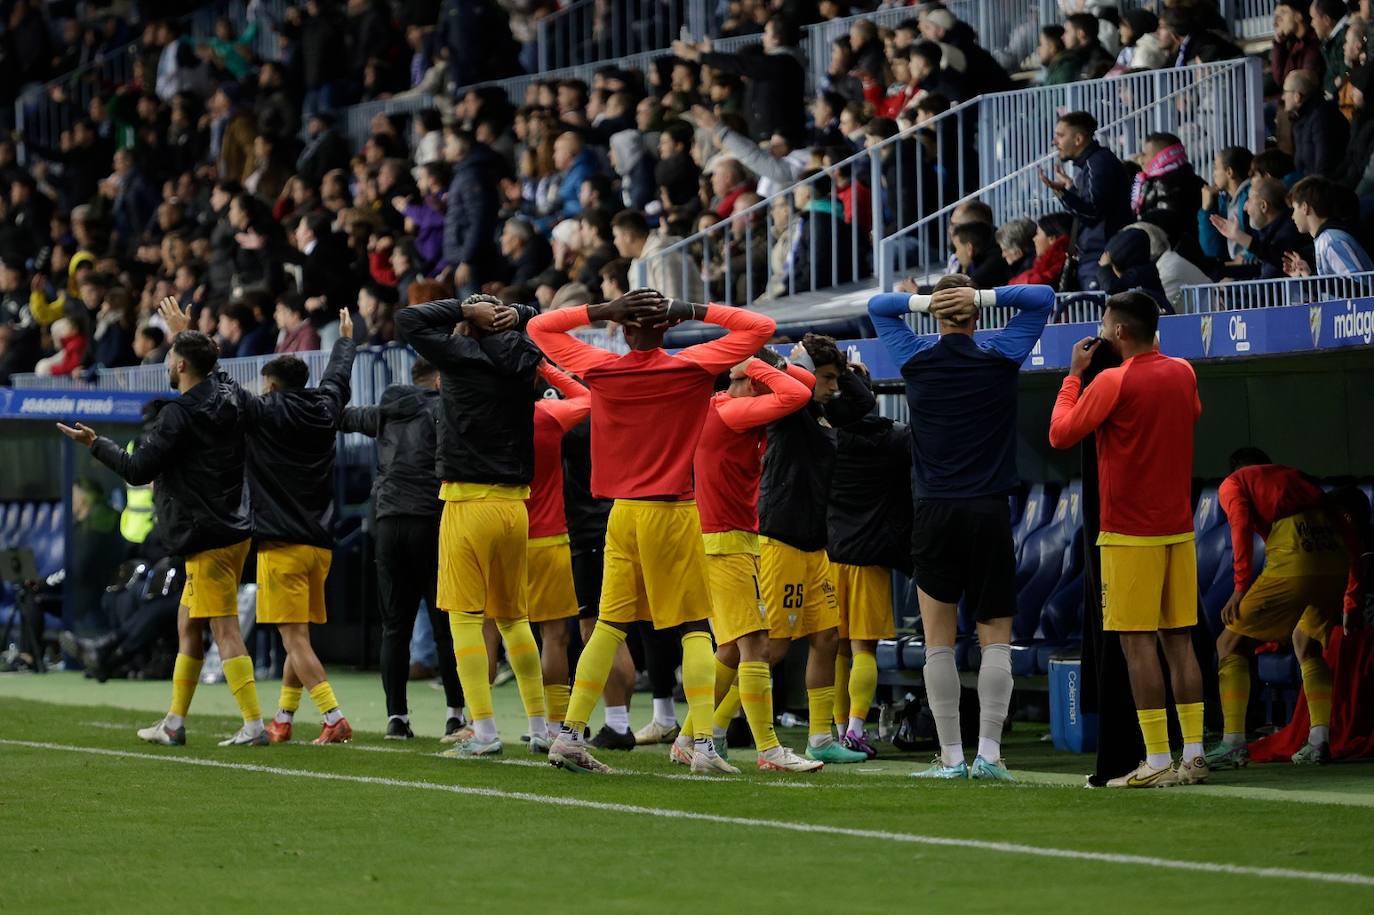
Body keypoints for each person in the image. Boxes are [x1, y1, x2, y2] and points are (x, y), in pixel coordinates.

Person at [528, 289, 776, 775]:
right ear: (667, 326)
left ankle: (570, 735)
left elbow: (539, 328)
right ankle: (701, 743)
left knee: (608, 625)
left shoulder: (602, 367)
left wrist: (600, 311)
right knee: (693, 628)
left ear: (623, 328)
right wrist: (695, 310)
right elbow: (760, 329)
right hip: (672, 511)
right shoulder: (691, 366)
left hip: (621, 514)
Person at [868, 278, 1054, 781]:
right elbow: (1043, 297)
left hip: (934, 512)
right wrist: (986, 296)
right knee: (996, 638)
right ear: (974, 315)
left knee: (938, 642)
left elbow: (878, 306)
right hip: (989, 510)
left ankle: (951, 757)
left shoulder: (915, 358)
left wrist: (925, 302)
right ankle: (989, 755)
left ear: (936, 316)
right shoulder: (1000, 358)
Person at [58, 302, 266, 748]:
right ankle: (174, 723)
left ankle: (254, 725)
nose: (168, 366)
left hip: (206, 536)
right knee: (187, 626)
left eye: (173, 358)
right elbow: (219, 375)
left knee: (224, 630)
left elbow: (137, 470)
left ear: (182, 365)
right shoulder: (230, 398)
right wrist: (188, 334)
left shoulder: (178, 415)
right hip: (231, 529)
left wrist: (97, 444)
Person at [164, 296, 359, 746]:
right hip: (320, 545)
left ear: (270, 387)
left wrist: (183, 336)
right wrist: (345, 343)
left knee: (294, 640)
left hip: (281, 546)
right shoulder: (326, 407)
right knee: (300, 637)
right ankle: (284, 718)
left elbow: (217, 381)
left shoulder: (264, 412)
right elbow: (337, 378)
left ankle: (333, 716)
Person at [1048, 291, 1207, 789]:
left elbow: (1060, 433)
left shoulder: (1113, 381)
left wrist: (1073, 376)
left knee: (1137, 646)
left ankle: (1157, 759)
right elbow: (1193, 414)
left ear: (1117, 332)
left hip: (1127, 534)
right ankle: (1195, 755)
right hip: (1178, 531)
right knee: (1179, 644)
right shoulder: (1183, 371)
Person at [394, 293, 551, 758]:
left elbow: (408, 318)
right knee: (515, 620)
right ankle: (540, 727)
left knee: (463, 620)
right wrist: (519, 313)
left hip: (467, 503)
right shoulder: (526, 356)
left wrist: (463, 309)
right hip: (515, 507)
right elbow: (547, 320)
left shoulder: (460, 356)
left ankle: (483, 732)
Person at [672, 349, 821, 772]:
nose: (733, 384)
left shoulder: (726, 407)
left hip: (726, 539)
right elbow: (796, 393)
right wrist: (754, 362)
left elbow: (802, 386)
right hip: (726, 542)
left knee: (733, 649)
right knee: (755, 643)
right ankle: (769, 750)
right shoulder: (732, 411)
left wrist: (760, 361)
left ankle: (687, 739)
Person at [754, 334, 876, 767]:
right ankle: (706, 730)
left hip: (813, 542)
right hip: (782, 537)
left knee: (826, 637)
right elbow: (771, 364)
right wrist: (803, 368)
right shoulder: (788, 405)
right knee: (772, 647)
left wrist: (844, 373)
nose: (834, 387)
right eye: (826, 378)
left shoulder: (825, 411)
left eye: (835, 379)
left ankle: (820, 738)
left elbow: (864, 406)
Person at [1206, 448, 1362, 769]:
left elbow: (1239, 526)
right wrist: (1351, 600)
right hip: (1333, 556)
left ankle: (1233, 742)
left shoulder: (1233, 483)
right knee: (1305, 640)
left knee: (1228, 642)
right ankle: (1319, 741)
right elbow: (1348, 533)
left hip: (1294, 553)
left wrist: (1239, 588)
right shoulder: (1295, 477)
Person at [339, 357, 468, 741]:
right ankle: (455, 715)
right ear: (440, 379)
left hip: (389, 520)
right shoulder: (445, 408)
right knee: (445, 625)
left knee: (395, 626)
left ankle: (397, 717)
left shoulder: (385, 412)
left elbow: (338, 417)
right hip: (432, 518)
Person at [827, 365, 913, 757]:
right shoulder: (895, 439)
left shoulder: (827, 440)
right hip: (871, 557)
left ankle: (839, 728)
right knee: (863, 648)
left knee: (836, 649)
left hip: (829, 555)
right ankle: (856, 731)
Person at [524, 362, 592, 743]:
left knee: (502, 631)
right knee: (554, 635)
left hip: (502, 531)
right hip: (549, 537)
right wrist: (548, 369)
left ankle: (484, 725)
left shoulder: (489, 416)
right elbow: (589, 398)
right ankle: (553, 727)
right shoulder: (547, 414)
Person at [1038, 111, 1132, 290]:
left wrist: (1062, 193)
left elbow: (1092, 212)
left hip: (1101, 256)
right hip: (1097, 256)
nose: (1054, 142)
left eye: (1060, 135)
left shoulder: (1098, 164)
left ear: (1078, 139)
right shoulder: (1093, 164)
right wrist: (1070, 189)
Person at [1208, 176, 1311, 279]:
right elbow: (1264, 267)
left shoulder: (1289, 230)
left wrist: (1240, 237)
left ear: (1263, 206)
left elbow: (1277, 259)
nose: (1245, 207)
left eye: (1249, 200)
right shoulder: (1271, 232)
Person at [1284, 176, 1374, 276]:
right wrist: (1307, 276)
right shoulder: (1325, 239)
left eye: (1294, 209)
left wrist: (1315, 281)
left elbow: (1358, 284)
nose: (1292, 216)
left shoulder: (1331, 241)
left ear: (1305, 207)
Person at [1284, 70, 1350, 179]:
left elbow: (1324, 167)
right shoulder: (1300, 118)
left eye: (1285, 92)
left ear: (1297, 96)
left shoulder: (1322, 117)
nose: (1283, 97)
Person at [1197, 146, 1254, 266]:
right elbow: (1212, 251)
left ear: (1229, 172)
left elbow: (1264, 240)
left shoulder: (1252, 196)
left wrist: (1246, 259)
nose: (1213, 174)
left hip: (1253, 269)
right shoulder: (1224, 201)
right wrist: (1206, 209)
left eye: (1216, 168)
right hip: (1236, 268)